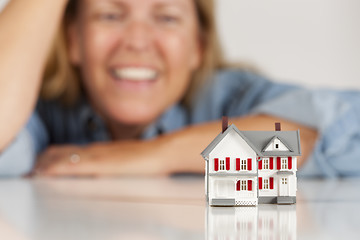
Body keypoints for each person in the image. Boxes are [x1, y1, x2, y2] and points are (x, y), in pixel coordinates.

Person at [0, 0, 358, 178]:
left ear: (198, 48)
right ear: (72, 40)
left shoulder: (231, 97)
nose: (138, 42)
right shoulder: (39, 110)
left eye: (166, 17)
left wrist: (145, 156)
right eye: (109, 15)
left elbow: (330, 135)